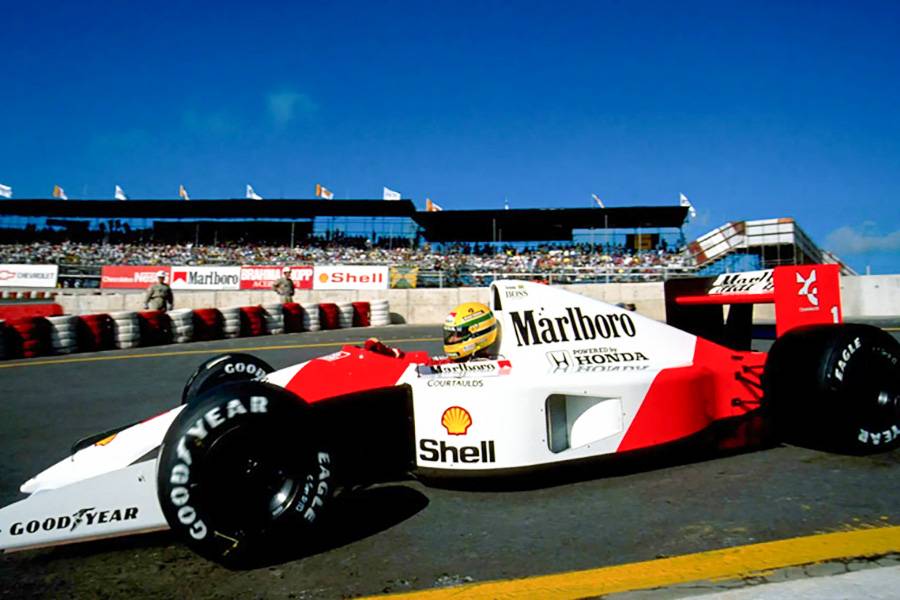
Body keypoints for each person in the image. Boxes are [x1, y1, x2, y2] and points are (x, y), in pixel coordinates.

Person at [365, 301, 499, 363]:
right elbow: (424, 361)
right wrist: (388, 353)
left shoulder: (486, 367)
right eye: (450, 334)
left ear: (477, 334)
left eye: (457, 334)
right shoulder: (459, 362)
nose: (451, 340)